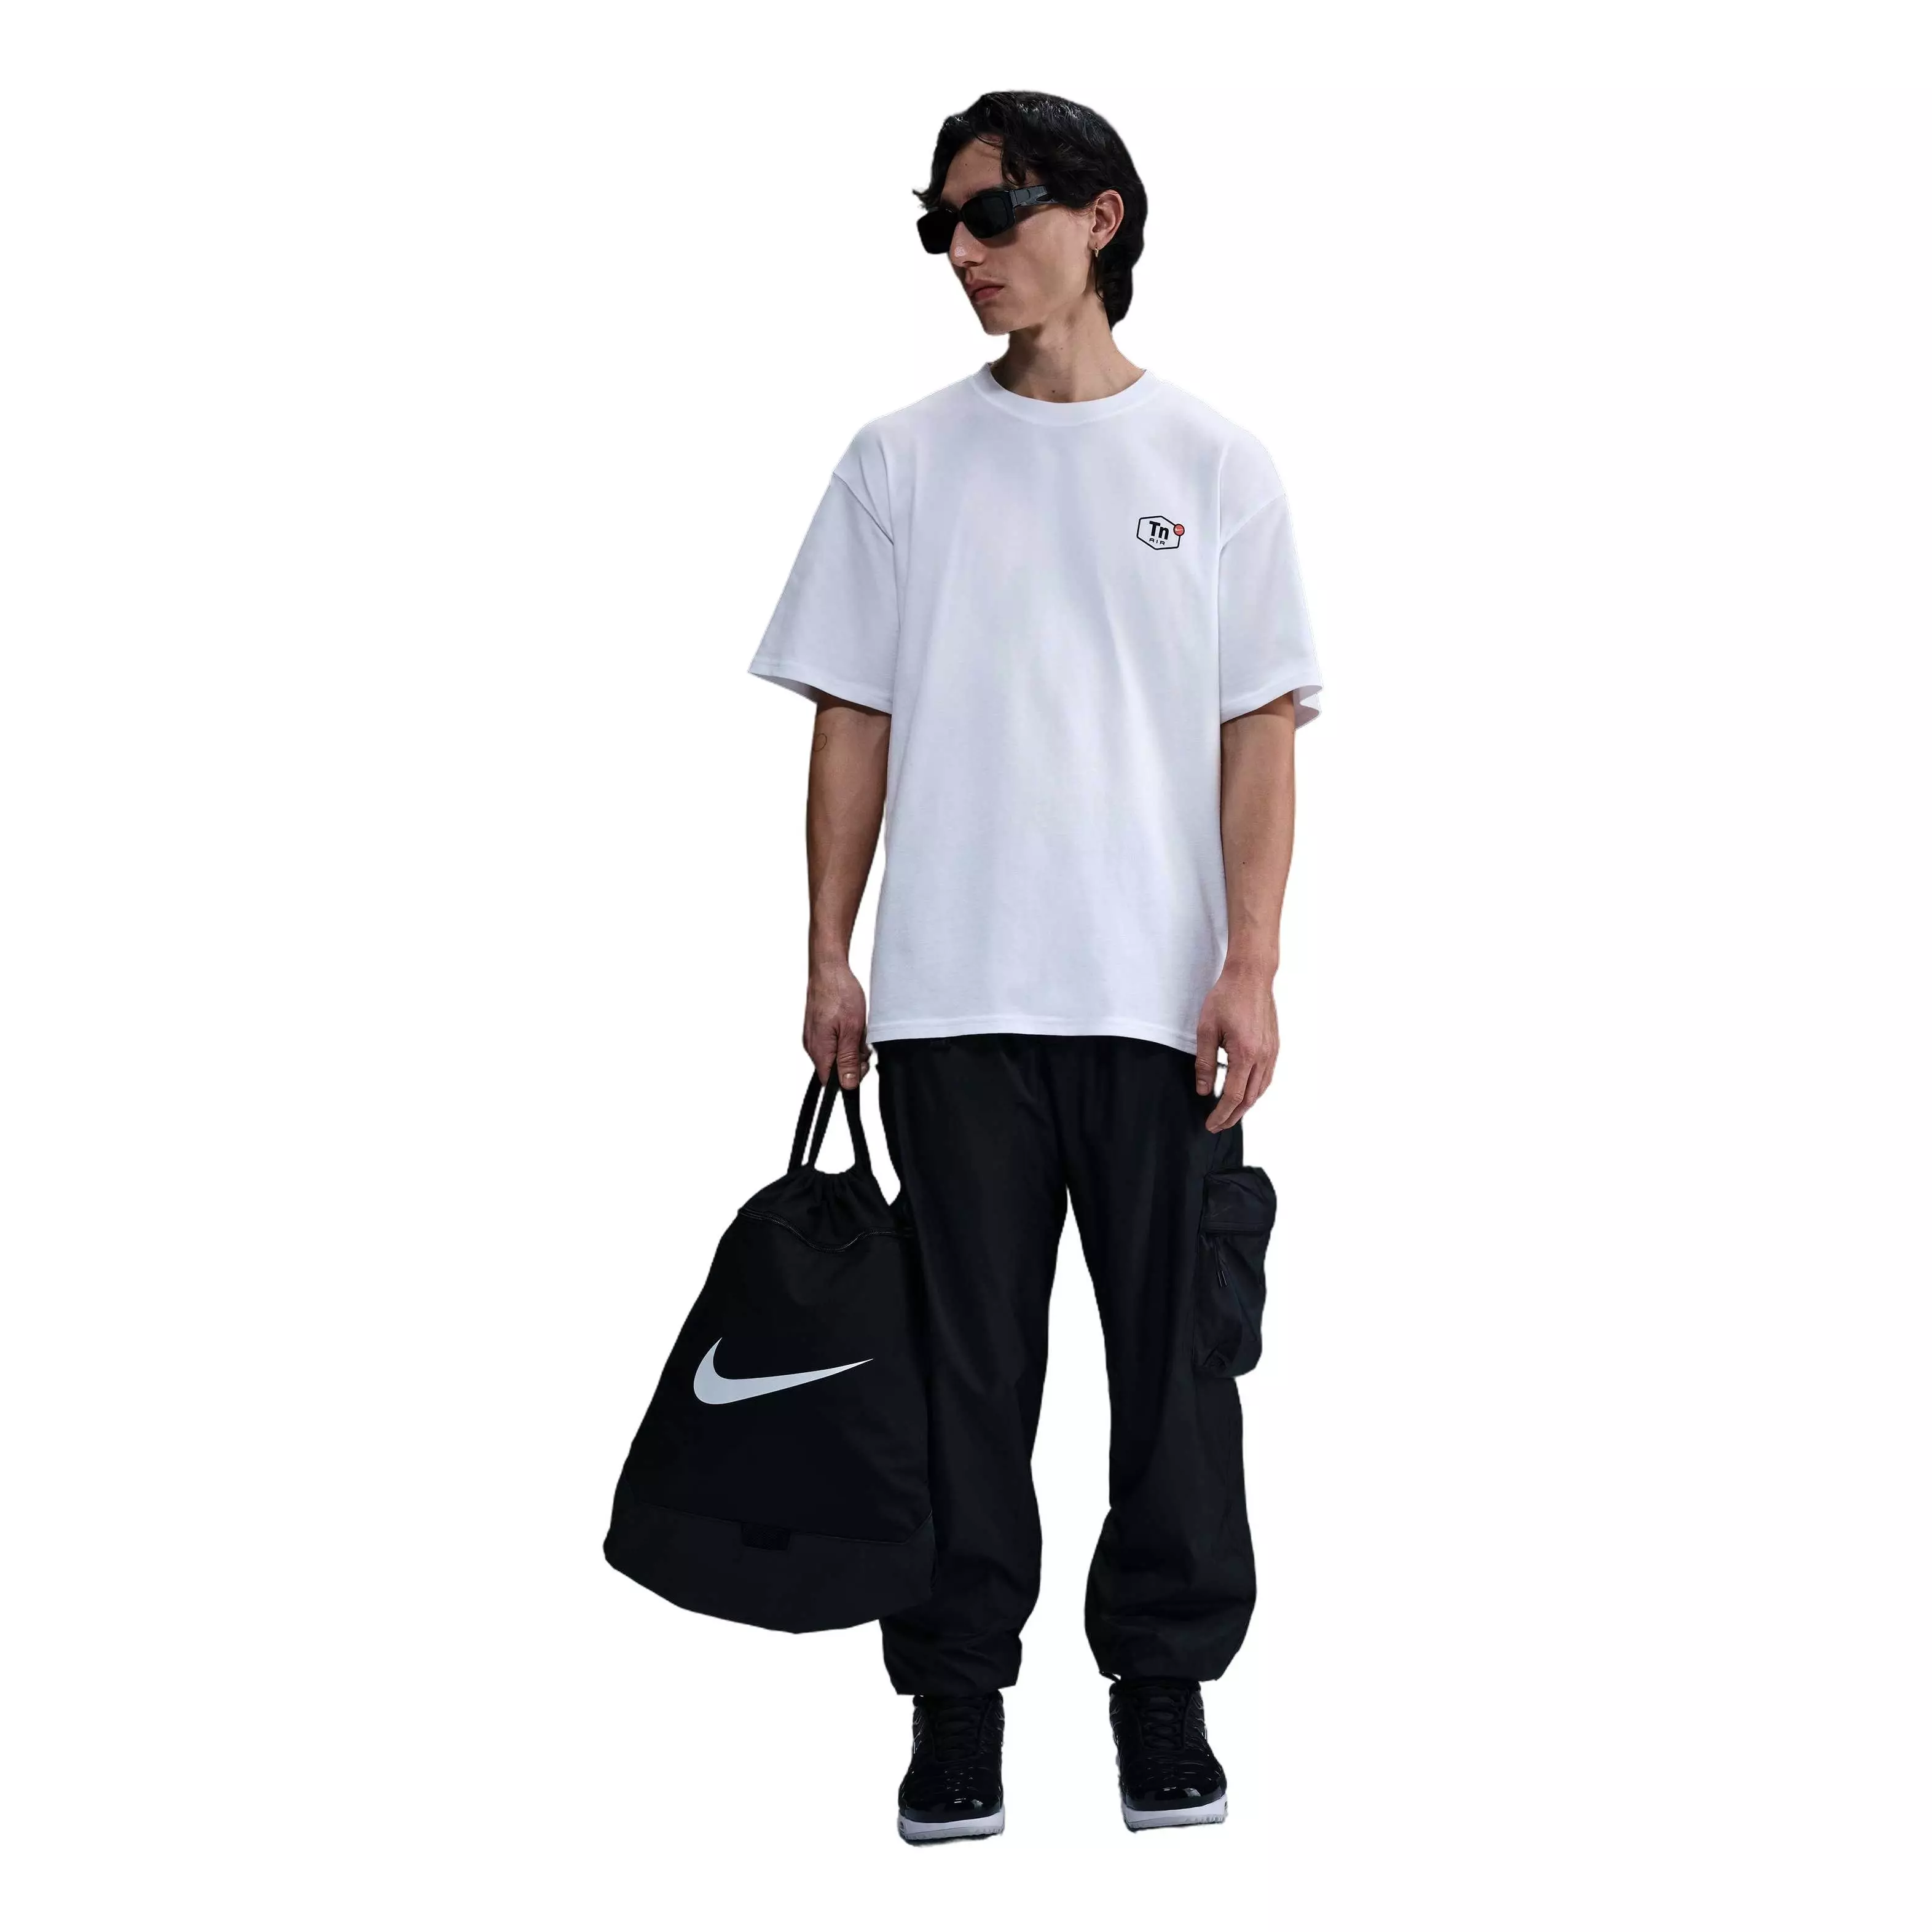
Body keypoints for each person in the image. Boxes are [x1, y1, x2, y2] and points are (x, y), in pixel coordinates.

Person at [747, 90, 1321, 1842]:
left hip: (1156, 1010)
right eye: (941, 225)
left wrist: (1253, 965)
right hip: (951, 1005)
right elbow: (854, 721)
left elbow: (1257, 730)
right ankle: (956, 1708)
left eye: (991, 213)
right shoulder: (901, 461)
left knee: (1179, 1376)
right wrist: (829, 953)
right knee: (960, 1381)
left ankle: (1163, 1693)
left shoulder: (1213, 466)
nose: (964, 251)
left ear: (1102, 217)